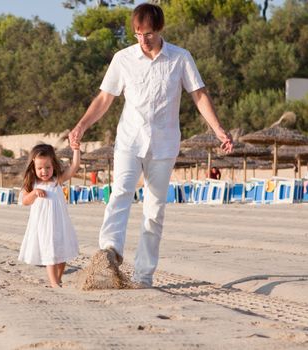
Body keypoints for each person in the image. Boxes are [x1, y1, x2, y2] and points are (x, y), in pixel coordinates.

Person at [68, 3, 233, 288]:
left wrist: (218, 129)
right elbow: (104, 99)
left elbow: (199, 95)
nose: (143, 40)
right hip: (129, 140)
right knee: (120, 192)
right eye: (137, 34)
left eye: (148, 34)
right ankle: (109, 252)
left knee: (154, 209)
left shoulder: (180, 58)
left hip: (164, 144)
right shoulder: (123, 59)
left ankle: (144, 276)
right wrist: (82, 125)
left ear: (160, 30)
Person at [18, 143, 81, 288]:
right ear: (33, 167)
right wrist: (34, 193)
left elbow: (74, 166)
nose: (44, 171)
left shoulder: (56, 181)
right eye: (40, 168)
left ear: (54, 165)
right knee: (50, 252)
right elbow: (25, 201)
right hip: (43, 225)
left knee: (62, 252)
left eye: (48, 167)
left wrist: (76, 149)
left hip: (60, 223)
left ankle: (58, 279)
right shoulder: (32, 184)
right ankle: (53, 283)